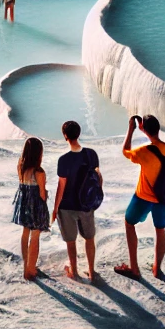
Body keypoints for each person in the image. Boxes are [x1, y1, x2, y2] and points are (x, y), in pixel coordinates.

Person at [115, 115, 165, 280]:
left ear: (143, 128)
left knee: (129, 224)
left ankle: (134, 269)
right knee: (160, 230)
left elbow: (125, 151)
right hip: (163, 198)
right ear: (158, 128)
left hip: (143, 197)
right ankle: (157, 269)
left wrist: (131, 129)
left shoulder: (144, 152)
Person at [52, 120, 102, 281]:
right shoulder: (91, 154)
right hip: (86, 205)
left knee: (71, 241)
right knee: (89, 238)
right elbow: (98, 178)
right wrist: (95, 196)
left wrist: (54, 209)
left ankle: (73, 270)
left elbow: (61, 186)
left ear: (65, 136)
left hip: (66, 206)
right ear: (79, 133)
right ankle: (92, 271)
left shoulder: (64, 160)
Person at [12, 136, 50, 281]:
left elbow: (23, 186)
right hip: (35, 205)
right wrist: (45, 196)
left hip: (23, 203)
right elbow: (42, 194)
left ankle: (25, 267)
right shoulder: (39, 172)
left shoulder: (20, 166)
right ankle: (31, 269)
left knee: (25, 233)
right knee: (35, 236)